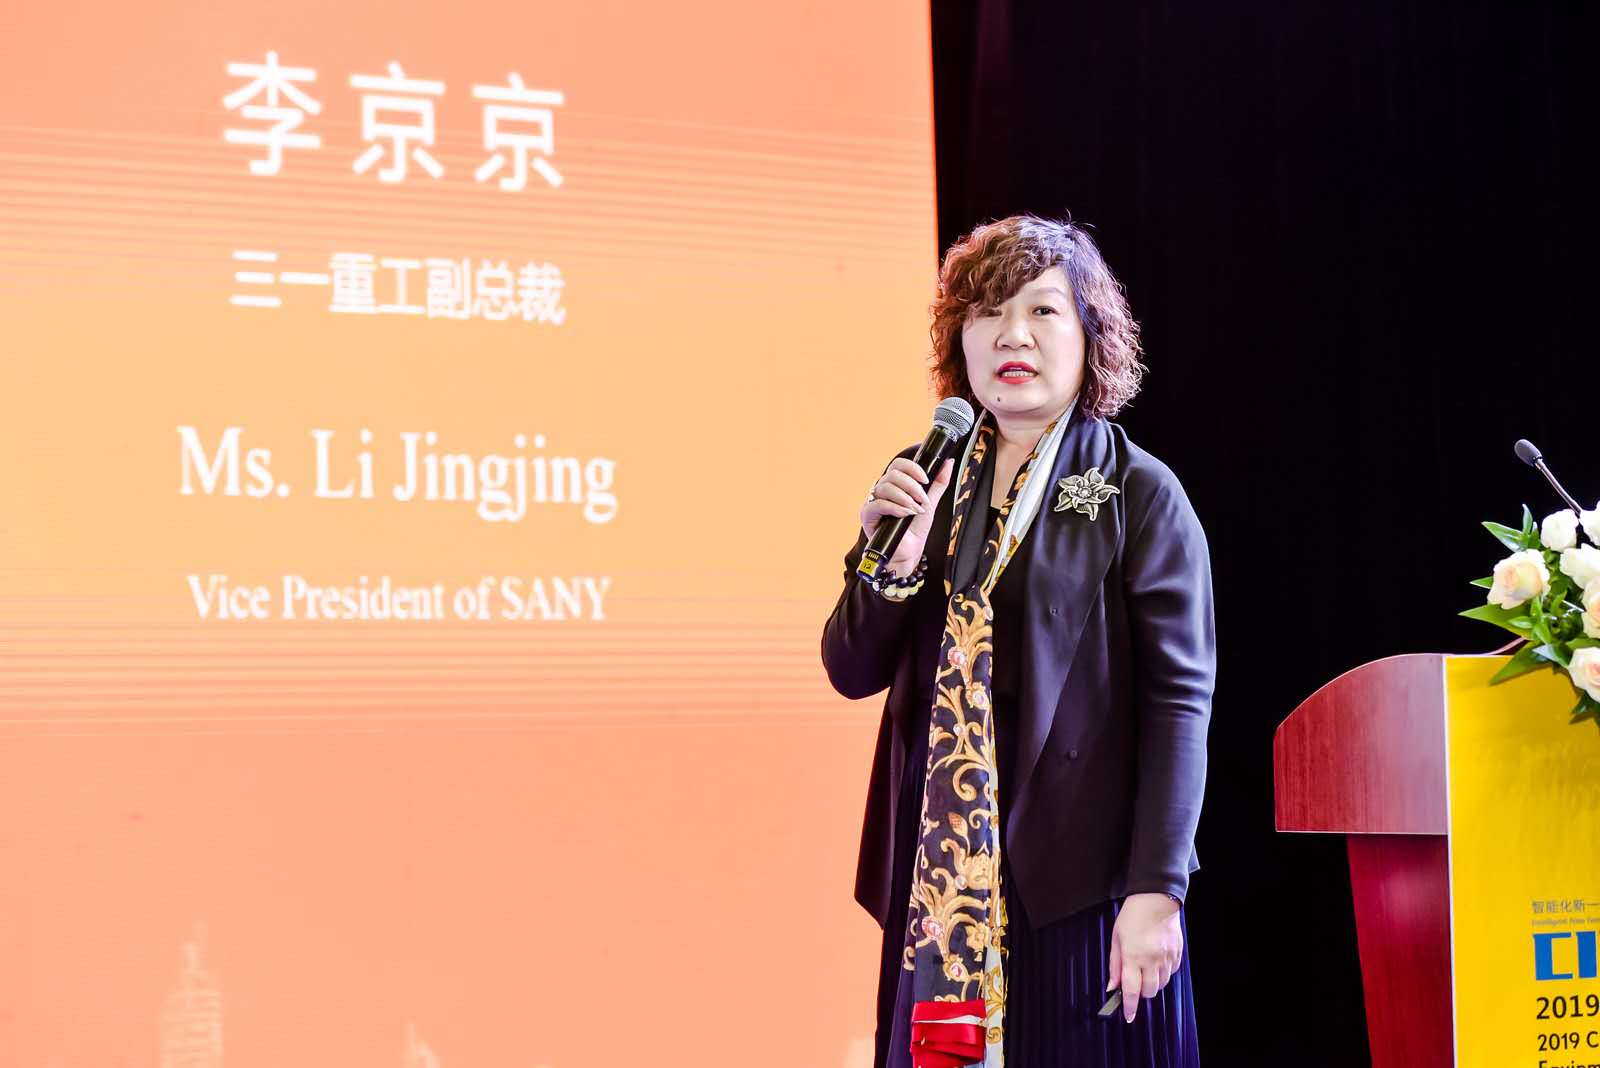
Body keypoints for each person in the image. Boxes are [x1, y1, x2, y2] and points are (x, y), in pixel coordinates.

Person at [821, 214, 1215, 1067]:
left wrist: (1158, 889)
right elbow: (849, 668)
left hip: (1085, 887)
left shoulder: (1137, 492)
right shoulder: (923, 478)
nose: (1012, 335)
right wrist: (892, 567)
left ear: (1090, 335)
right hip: (941, 884)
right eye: (988, 313)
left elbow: (1179, 703)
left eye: (1042, 311)